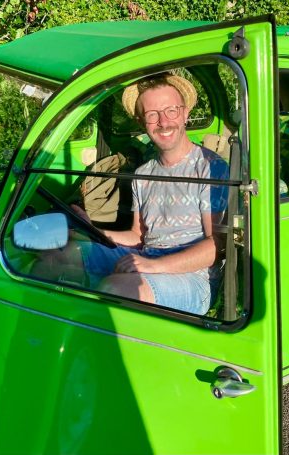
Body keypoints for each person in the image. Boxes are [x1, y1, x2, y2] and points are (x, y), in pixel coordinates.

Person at [37, 72, 229, 315]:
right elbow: (139, 237)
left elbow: (216, 246)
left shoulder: (211, 167)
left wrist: (153, 266)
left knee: (117, 288)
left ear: (185, 113)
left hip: (194, 278)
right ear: (141, 122)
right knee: (53, 258)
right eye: (152, 114)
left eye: (171, 111)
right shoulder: (143, 174)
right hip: (147, 256)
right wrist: (92, 230)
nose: (163, 122)